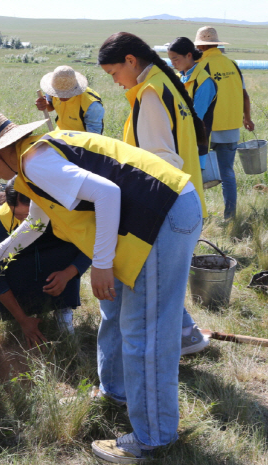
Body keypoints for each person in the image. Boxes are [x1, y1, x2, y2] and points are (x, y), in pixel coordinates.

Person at [0, 109, 202, 464]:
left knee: (145, 332)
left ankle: (154, 438)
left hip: (160, 218)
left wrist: (101, 264)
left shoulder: (37, 163)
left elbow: (107, 194)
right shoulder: (34, 162)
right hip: (156, 213)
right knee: (115, 312)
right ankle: (116, 392)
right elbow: (36, 222)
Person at [98, 32, 210, 356]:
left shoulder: (150, 93)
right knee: (166, 289)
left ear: (130, 61)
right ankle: (187, 335)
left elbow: (160, 164)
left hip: (167, 210)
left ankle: (160, 362)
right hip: (188, 203)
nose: (116, 82)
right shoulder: (164, 83)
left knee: (153, 297)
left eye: (114, 73)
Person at [0, 177, 91, 347]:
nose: (26, 224)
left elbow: (91, 245)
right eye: (18, 216)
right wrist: (22, 320)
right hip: (26, 264)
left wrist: (68, 273)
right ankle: (26, 310)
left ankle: (63, 308)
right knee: (8, 266)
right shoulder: (5, 216)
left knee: (66, 252)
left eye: (28, 216)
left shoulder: (62, 209)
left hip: (58, 257)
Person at [194, 26, 255, 219]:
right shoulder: (233, 64)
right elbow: (245, 95)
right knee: (227, 172)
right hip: (230, 127)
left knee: (196, 173)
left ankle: (198, 216)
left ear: (200, 46)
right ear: (217, 44)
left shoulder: (198, 66)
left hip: (206, 129)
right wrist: (247, 117)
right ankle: (230, 215)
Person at [168, 36, 218, 167]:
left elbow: (196, 117)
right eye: (170, 60)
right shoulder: (178, 78)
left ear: (189, 55)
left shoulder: (204, 82)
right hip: (176, 143)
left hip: (195, 145)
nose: (172, 63)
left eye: (175, 59)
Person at [35, 65, 104, 134]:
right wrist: (45, 105)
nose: (61, 96)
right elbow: (50, 106)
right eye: (58, 93)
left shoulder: (91, 104)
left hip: (82, 140)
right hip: (60, 134)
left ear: (74, 89)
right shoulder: (53, 89)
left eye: (65, 93)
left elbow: (94, 136)